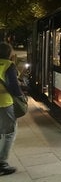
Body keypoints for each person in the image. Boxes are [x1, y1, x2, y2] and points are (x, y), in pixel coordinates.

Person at [0, 42, 25, 175]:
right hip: (5, 104)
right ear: (9, 53)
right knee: (9, 133)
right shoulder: (9, 66)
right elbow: (15, 88)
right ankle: (2, 164)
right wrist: (21, 97)